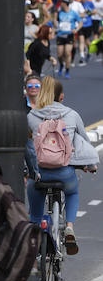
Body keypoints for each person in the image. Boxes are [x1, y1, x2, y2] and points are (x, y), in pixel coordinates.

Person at [26, 77, 98, 253]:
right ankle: (70, 227)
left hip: (40, 174)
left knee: (34, 209)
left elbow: (28, 146)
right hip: (64, 173)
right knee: (72, 192)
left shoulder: (31, 116)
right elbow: (84, 142)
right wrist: (89, 164)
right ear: (62, 96)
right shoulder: (72, 115)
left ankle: (35, 232)